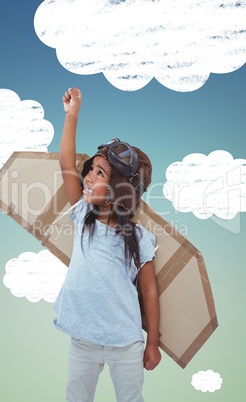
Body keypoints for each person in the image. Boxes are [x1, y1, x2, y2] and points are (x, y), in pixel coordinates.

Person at [53, 87, 161, 402]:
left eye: (99, 173)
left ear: (119, 191)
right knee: (77, 397)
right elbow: (66, 165)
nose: (88, 177)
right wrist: (72, 114)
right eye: (91, 170)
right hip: (83, 340)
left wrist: (152, 342)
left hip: (124, 343)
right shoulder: (83, 215)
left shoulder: (139, 239)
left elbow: (149, 291)